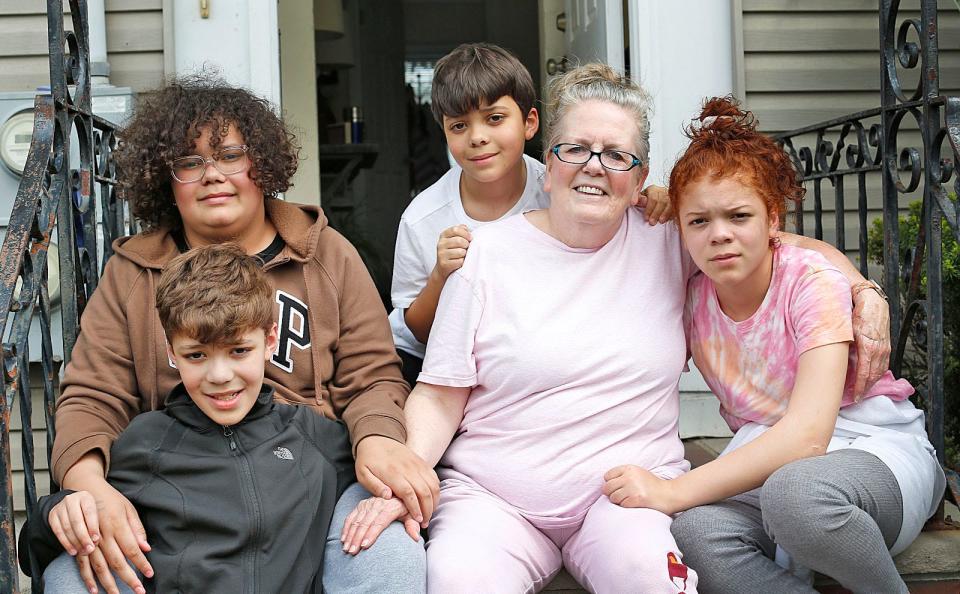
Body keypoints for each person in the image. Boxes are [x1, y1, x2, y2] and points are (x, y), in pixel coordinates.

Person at [359, 65, 893, 593]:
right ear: (548, 162)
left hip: (626, 497)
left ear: (640, 179)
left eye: (616, 155)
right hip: (494, 499)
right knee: (457, 582)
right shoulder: (484, 256)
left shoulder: (670, 239)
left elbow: (777, 250)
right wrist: (405, 474)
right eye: (575, 148)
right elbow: (439, 392)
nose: (594, 167)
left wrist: (864, 291)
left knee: (653, 581)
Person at [44, 75, 433, 594]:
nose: (212, 176)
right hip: (182, 486)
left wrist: (378, 442)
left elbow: (372, 378)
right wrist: (91, 489)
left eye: (230, 155)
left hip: (314, 476)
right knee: (76, 576)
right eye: (190, 162)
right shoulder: (134, 273)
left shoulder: (325, 255)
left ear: (262, 164)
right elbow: (93, 397)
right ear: (166, 178)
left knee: (389, 559)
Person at [603, 97, 945, 593]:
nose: (719, 235)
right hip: (768, 458)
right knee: (693, 532)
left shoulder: (811, 282)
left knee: (795, 495)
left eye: (739, 216)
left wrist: (670, 491)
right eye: (698, 221)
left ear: (773, 219)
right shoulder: (694, 298)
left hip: (871, 450)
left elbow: (808, 437)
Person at [22, 244, 417, 592]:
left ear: (270, 340)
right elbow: (36, 548)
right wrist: (55, 512)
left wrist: (398, 497)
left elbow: (384, 482)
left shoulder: (315, 438)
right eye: (197, 355)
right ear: (171, 352)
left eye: (238, 351)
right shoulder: (144, 445)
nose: (220, 376)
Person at [389, 43, 671, 385]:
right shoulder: (422, 219)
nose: (477, 137)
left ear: (529, 123)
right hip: (425, 360)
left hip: (520, 354)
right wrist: (439, 276)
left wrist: (655, 195)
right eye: (459, 126)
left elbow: (617, 190)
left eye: (494, 119)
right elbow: (417, 333)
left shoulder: (561, 184)